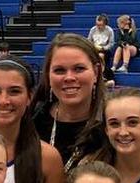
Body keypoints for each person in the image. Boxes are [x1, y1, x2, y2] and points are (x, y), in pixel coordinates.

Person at [30, 34, 106, 166]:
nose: (69, 77)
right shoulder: (30, 121)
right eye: (59, 70)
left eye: (79, 69)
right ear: (48, 75)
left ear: (96, 72)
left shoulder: (113, 124)